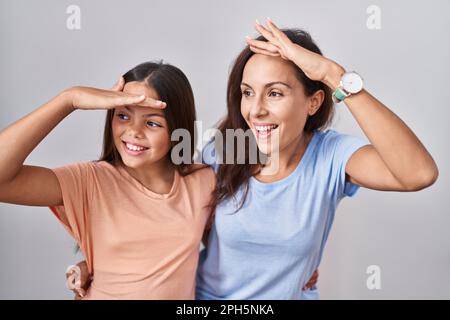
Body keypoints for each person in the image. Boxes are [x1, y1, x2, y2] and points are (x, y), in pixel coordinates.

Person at [65, 18, 439, 300]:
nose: (255, 110)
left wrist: (332, 74)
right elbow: (164, 221)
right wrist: (98, 265)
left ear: (314, 101)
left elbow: (417, 173)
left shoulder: (330, 157)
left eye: (274, 93)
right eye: (247, 92)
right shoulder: (219, 150)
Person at [0, 61, 216, 299]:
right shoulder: (90, 181)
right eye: (123, 115)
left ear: (178, 129)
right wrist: (68, 99)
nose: (133, 131)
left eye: (152, 123)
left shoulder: (203, 181)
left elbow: (230, 251)